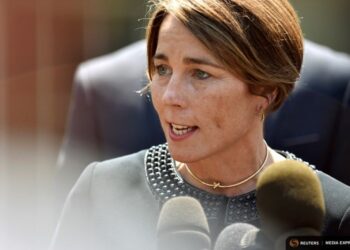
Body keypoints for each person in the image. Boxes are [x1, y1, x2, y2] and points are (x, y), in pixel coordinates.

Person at [51, 0, 350, 249]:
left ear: (266, 91)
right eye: (163, 69)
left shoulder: (336, 212)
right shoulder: (101, 190)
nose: (170, 96)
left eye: (200, 74)